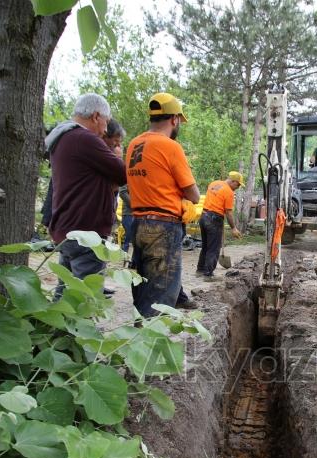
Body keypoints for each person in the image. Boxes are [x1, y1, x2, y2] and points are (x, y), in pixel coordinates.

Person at [125, 92, 200, 317]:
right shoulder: (170, 146)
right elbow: (194, 194)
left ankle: (136, 332)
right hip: (164, 226)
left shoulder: (133, 144)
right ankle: (149, 342)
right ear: (174, 119)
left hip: (138, 223)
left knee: (143, 284)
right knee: (160, 293)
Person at [45, 94, 126, 299]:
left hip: (68, 226)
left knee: (65, 294)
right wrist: (117, 157)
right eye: (106, 123)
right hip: (86, 232)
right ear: (96, 116)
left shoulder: (63, 137)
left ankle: (58, 330)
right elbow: (122, 173)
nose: (105, 130)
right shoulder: (84, 138)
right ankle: (80, 331)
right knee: (85, 298)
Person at [197, 171, 244, 279]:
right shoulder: (229, 192)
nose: (238, 187)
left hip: (203, 217)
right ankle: (208, 275)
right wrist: (233, 228)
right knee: (213, 248)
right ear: (233, 181)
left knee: (205, 246)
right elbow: (228, 212)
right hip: (214, 219)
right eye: (238, 185)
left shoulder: (214, 183)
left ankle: (200, 270)